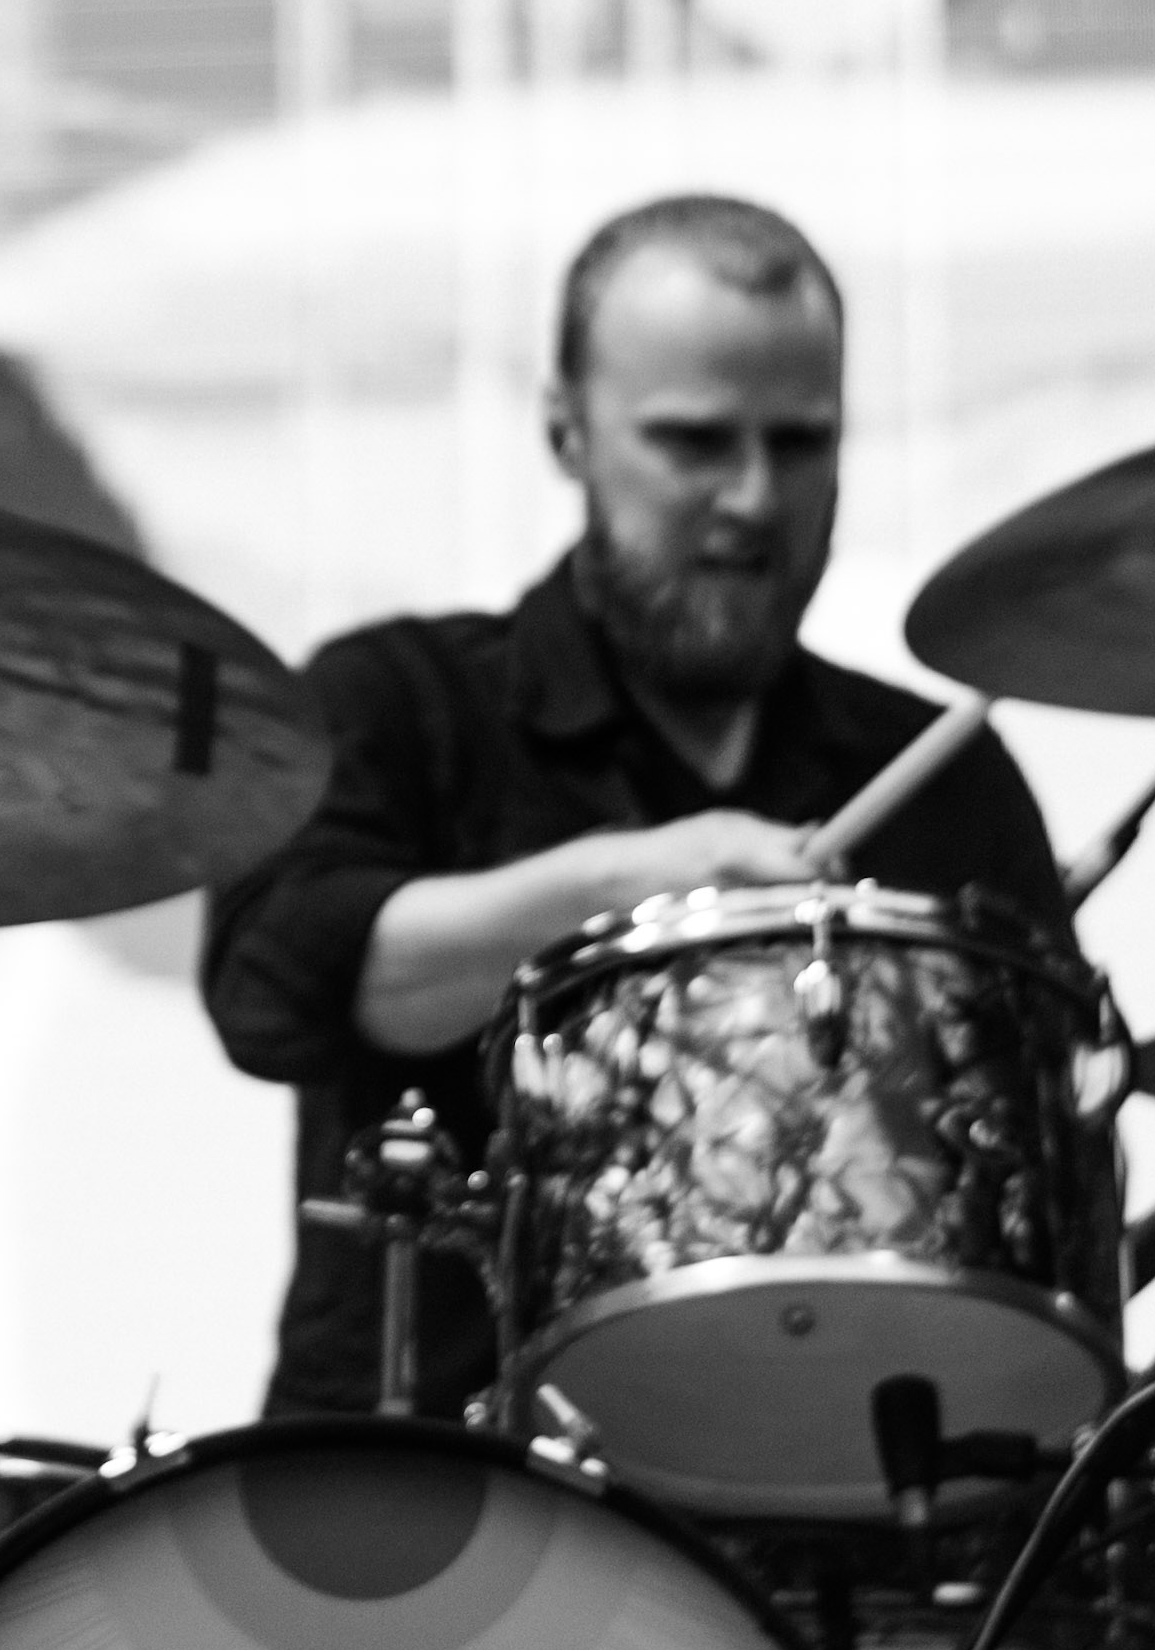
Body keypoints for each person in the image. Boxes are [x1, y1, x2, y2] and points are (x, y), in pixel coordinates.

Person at [201, 192, 1066, 1428]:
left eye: (801, 442)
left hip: (846, 1474)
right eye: (695, 441)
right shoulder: (395, 700)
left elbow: (1035, 1179)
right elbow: (274, 985)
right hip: (430, 1482)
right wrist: (634, 885)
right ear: (566, 430)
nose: (754, 498)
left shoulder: (938, 774)